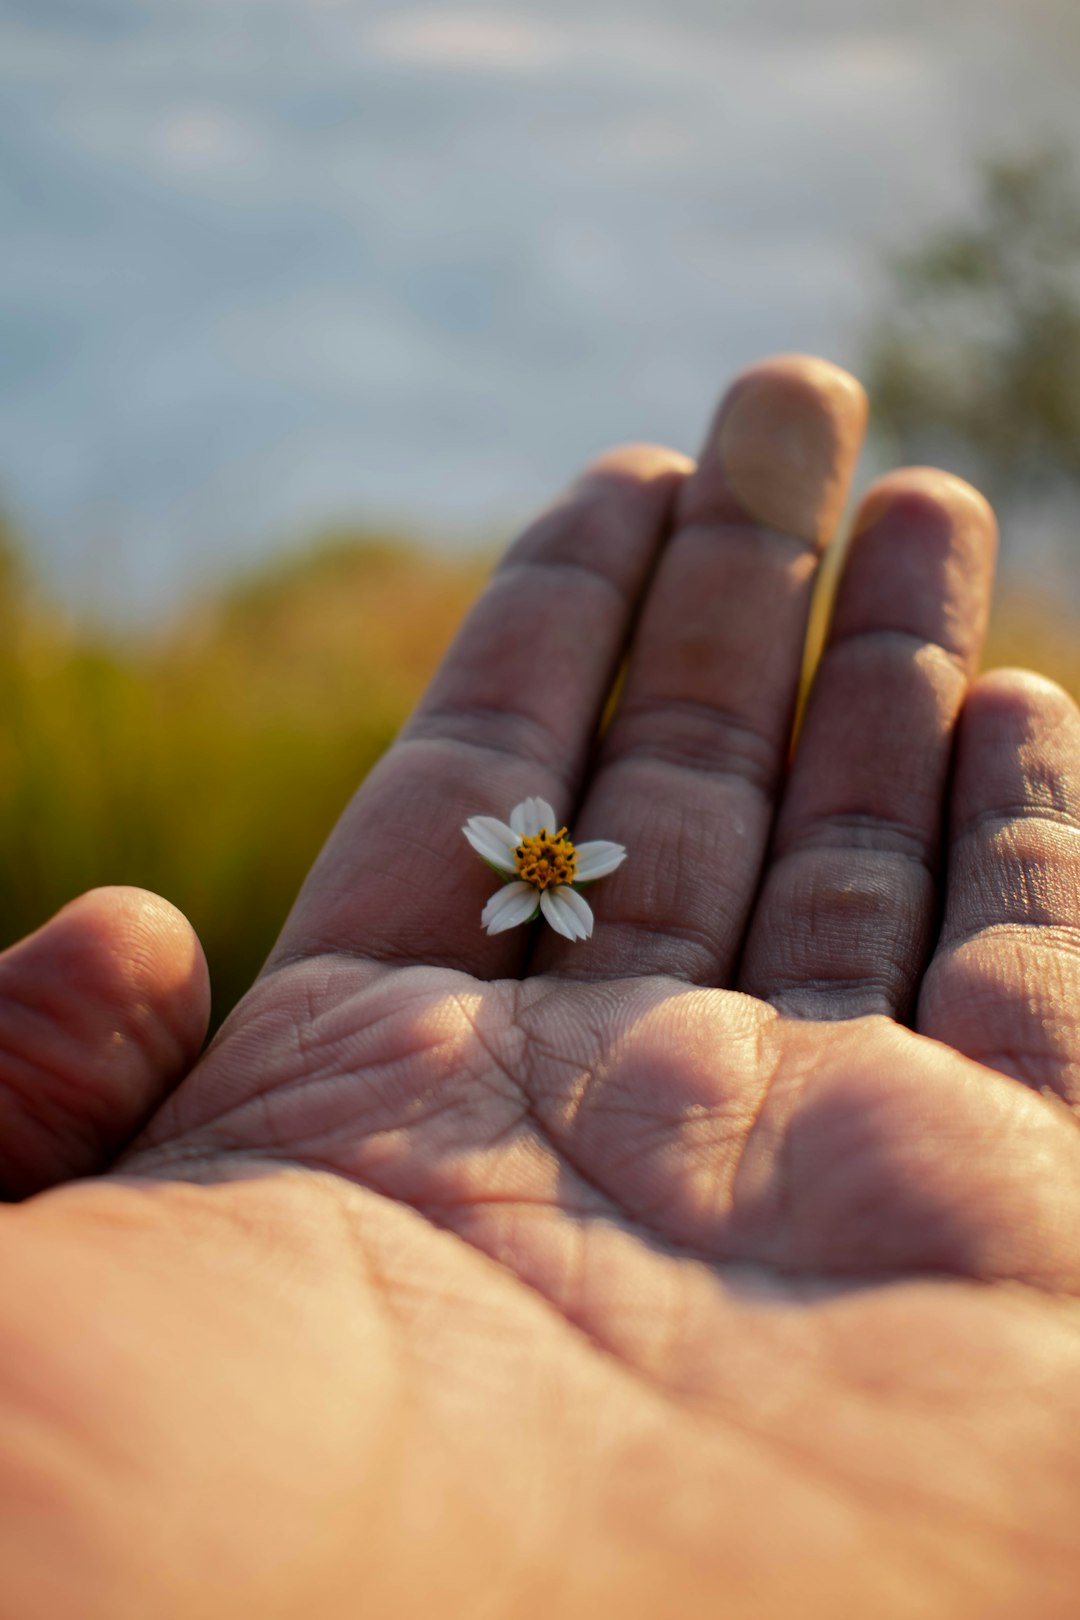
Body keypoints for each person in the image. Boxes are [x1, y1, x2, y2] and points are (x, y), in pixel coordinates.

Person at [1, 355, 1079, 1618]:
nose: (545, 856)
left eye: (550, 856)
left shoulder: (553, 878)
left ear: (555, 867)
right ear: (537, 860)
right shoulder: (525, 874)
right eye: (542, 852)